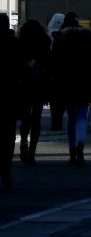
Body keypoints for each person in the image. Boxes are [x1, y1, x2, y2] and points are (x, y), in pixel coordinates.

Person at [51, 12, 91, 166]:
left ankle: (72, 151)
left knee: (71, 117)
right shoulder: (87, 38)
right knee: (81, 117)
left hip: (66, 84)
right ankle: (81, 144)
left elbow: (54, 65)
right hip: (84, 83)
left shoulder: (59, 39)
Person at [18, 19, 52, 166]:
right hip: (39, 84)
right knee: (36, 118)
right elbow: (50, 63)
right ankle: (32, 151)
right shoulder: (44, 42)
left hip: (24, 84)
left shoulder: (20, 42)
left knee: (25, 116)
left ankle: (24, 140)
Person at [1, 13, 25, 188]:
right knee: (8, 134)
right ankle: (6, 168)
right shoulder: (14, 44)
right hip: (10, 95)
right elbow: (21, 68)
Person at [46, 13, 65, 131]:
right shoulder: (64, 36)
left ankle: (55, 121)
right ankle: (59, 121)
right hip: (62, 72)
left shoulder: (48, 36)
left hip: (51, 73)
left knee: (53, 100)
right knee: (61, 100)